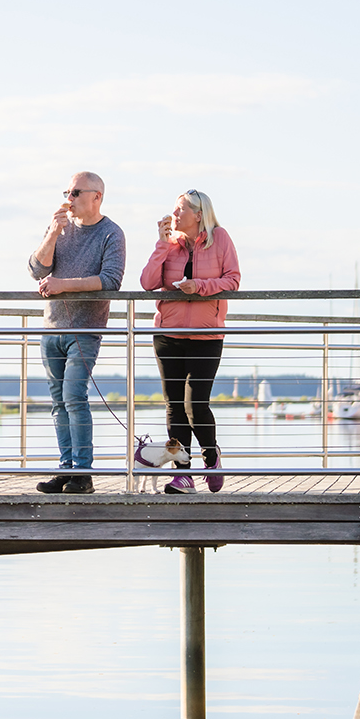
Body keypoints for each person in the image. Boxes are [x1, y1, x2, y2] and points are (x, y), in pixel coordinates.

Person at [28, 171, 126, 494]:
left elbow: (110, 280)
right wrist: (52, 234)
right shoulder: (60, 228)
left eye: (76, 193)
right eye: (67, 192)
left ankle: (83, 474)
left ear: (96, 197)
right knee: (58, 402)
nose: (69, 199)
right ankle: (66, 469)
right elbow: (36, 269)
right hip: (51, 328)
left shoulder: (111, 233)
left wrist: (63, 286)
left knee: (74, 396)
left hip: (85, 329)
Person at [139, 189, 241, 494]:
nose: (174, 214)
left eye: (180, 209)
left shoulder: (220, 238)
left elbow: (233, 280)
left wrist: (199, 287)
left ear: (198, 214)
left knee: (195, 403)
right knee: (174, 406)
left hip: (205, 335)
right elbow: (147, 283)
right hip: (168, 335)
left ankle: (211, 458)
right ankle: (182, 475)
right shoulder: (169, 244)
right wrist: (161, 243)